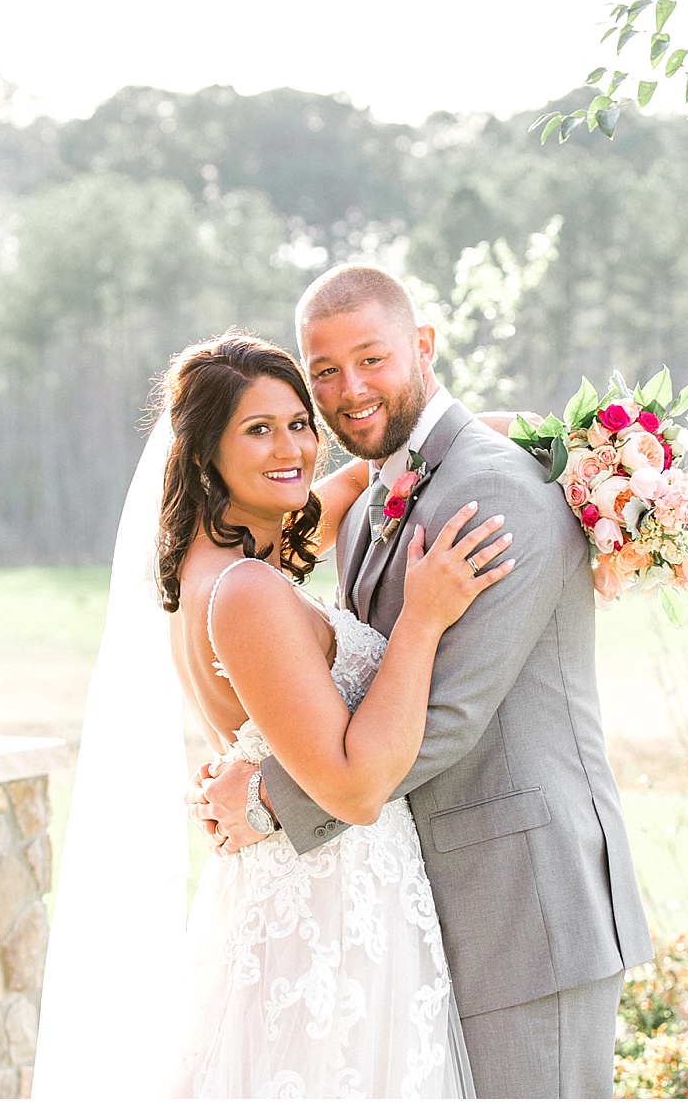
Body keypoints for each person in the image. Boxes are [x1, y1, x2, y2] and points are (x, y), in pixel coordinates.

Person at [194, 264, 653, 1098]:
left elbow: (446, 716)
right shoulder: (377, 497)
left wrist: (269, 796)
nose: (348, 390)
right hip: (432, 903)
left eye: (372, 359)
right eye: (324, 370)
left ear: (424, 346)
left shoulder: (495, 488)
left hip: (527, 905)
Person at [159, 333, 514, 1097]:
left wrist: (484, 432)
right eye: (258, 430)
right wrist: (421, 619)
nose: (291, 448)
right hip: (329, 912)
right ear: (201, 455)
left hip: (306, 893)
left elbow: (345, 485)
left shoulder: (222, 563)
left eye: (297, 423)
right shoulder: (248, 590)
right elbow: (352, 790)